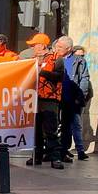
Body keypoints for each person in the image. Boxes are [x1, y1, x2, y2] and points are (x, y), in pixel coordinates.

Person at [34, 34, 67, 168]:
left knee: (51, 130)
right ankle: (37, 156)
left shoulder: (56, 59)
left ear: (42, 45)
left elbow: (59, 77)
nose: (32, 47)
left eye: (34, 45)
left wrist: (41, 72)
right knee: (36, 130)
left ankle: (55, 158)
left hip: (50, 99)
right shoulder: (32, 59)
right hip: (34, 99)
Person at [62, 42, 93, 161]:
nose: (80, 57)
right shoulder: (61, 60)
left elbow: (84, 80)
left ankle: (80, 150)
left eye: (83, 55)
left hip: (74, 99)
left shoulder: (80, 63)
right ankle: (65, 149)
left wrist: (80, 97)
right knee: (65, 126)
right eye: (78, 55)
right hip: (62, 98)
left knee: (75, 124)